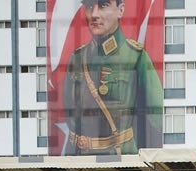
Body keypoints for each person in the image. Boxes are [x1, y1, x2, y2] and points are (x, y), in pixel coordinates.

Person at [63, 0, 163, 155]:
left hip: (120, 155)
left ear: (120, 10)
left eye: (103, 5)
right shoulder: (77, 58)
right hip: (78, 156)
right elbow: (69, 111)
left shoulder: (135, 56)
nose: (94, 14)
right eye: (89, 7)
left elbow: (153, 121)